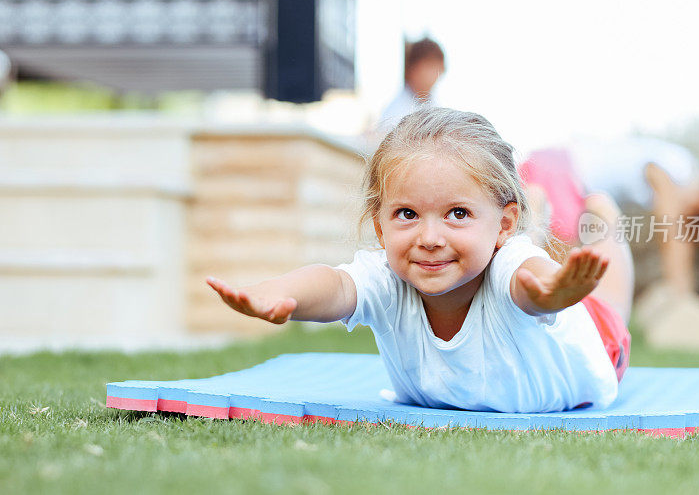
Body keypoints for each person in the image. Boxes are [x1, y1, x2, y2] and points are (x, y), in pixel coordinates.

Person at [206, 107, 633, 414]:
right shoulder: (386, 276)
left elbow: (531, 283)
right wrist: (277, 294)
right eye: (407, 215)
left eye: (457, 214)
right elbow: (335, 286)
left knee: (607, 296)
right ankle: (536, 214)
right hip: (543, 283)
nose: (429, 239)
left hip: (590, 332)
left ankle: (606, 225)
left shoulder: (510, 264)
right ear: (380, 226)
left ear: (504, 227)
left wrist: (556, 292)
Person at [519, 137, 699, 351]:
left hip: (561, 174)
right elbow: (673, 232)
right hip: (559, 170)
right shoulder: (679, 168)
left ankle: (545, 331)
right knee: (557, 263)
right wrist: (682, 296)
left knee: (561, 265)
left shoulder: (682, 178)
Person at [377, 37, 446, 134]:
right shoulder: (395, 112)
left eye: (437, 68)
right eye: (428, 66)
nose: (433, 74)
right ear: (412, 69)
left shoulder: (438, 108)